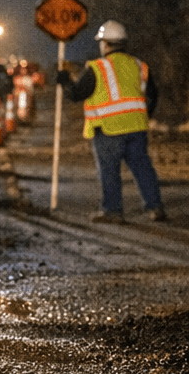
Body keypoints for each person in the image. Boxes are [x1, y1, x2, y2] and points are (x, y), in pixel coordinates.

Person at [57, 19, 167, 223]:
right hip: (137, 128)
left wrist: (63, 78)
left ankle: (113, 211)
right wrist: (144, 114)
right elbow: (152, 94)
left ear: (105, 44)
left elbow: (76, 93)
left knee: (109, 171)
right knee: (143, 168)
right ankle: (155, 207)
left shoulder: (98, 67)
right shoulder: (139, 65)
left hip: (108, 129)